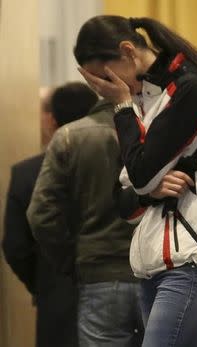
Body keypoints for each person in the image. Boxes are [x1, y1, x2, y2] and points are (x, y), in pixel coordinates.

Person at [75, 15, 197, 346]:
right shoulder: (143, 101)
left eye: (105, 79)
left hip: (191, 258)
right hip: (152, 263)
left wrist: (121, 105)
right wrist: (151, 193)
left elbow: (139, 174)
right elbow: (122, 201)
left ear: (127, 51)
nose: (105, 90)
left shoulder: (188, 91)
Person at [27, 92, 144, 345]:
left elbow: (40, 215)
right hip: (158, 273)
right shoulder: (157, 128)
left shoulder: (71, 136)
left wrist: (71, 261)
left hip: (99, 274)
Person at [3, 82, 98, 347]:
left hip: (55, 298)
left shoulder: (25, 174)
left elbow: (16, 247)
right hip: (118, 293)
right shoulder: (120, 165)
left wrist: (45, 282)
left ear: (51, 122)